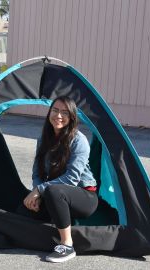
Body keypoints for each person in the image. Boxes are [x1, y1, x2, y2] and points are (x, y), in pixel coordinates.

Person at [22, 96, 98, 263]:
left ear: (71, 117)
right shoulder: (43, 139)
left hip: (84, 197)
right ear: (49, 113)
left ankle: (67, 245)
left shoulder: (79, 140)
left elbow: (71, 179)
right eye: (55, 110)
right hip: (53, 194)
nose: (58, 115)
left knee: (53, 191)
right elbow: (37, 174)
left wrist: (40, 190)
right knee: (23, 204)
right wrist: (37, 193)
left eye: (64, 112)